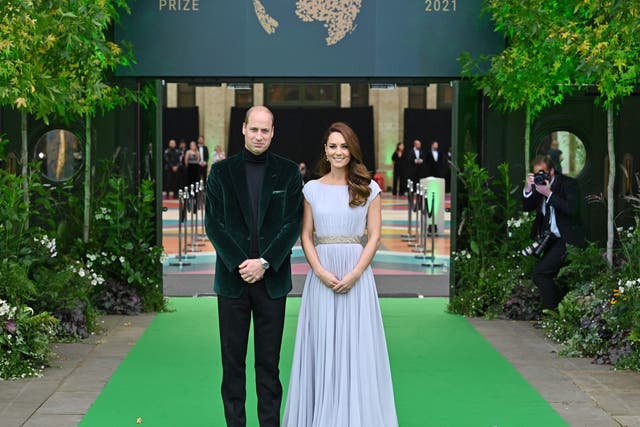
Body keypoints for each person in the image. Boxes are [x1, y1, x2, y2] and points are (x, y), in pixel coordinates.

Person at [283, 122, 398, 427]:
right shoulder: (311, 189)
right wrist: (319, 270)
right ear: (325, 150)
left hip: (357, 277)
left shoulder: (369, 188)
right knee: (322, 346)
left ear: (353, 150)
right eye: (333, 146)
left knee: (357, 347)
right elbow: (306, 235)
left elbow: (374, 235)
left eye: (344, 146)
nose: (338, 152)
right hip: (321, 278)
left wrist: (356, 272)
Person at [205, 106, 303, 427]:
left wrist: (263, 262)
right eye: (254, 129)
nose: (259, 136)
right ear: (243, 129)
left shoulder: (289, 173)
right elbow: (215, 227)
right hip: (233, 284)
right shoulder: (220, 173)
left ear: (273, 132)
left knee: (269, 366)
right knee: (232, 366)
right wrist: (241, 264)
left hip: (271, 282)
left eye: (266, 130)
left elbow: (291, 225)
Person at [523, 155, 584, 310]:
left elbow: (572, 209)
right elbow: (526, 207)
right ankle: (554, 311)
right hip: (550, 239)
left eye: (542, 173)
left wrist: (549, 194)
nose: (540, 177)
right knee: (542, 273)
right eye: (536, 174)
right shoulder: (538, 185)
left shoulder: (568, 184)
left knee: (540, 273)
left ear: (551, 171)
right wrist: (528, 188)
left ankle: (553, 312)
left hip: (567, 239)